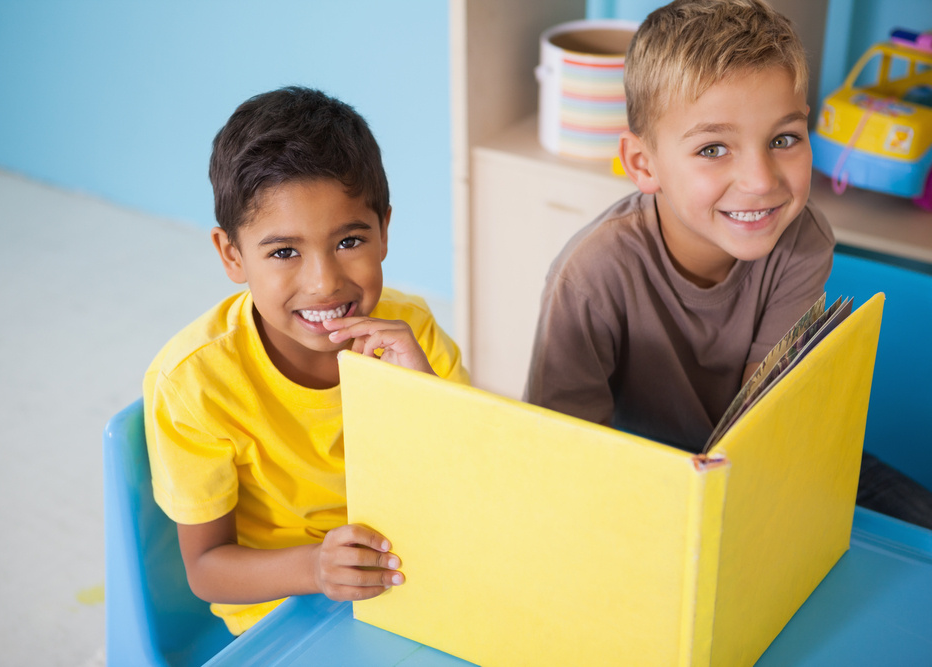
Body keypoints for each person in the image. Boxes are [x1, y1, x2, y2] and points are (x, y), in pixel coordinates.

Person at [525, 0, 932, 528]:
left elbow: (761, 423)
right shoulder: (590, 275)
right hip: (642, 475)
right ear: (643, 164)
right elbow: (557, 452)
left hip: (760, 452)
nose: (761, 181)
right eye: (714, 149)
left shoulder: (803, 240)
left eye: (784, 139)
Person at [143, 87, 469, 635]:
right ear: (232, 255)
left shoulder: (411, 332)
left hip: (410, 571)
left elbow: (471, 483)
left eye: (349, 241)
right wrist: (316, 567)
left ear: (384, 230)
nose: (323, 283)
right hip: (285, 608)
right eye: (284, 252)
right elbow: (205, 569)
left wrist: (425, 394)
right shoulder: (193, 384)